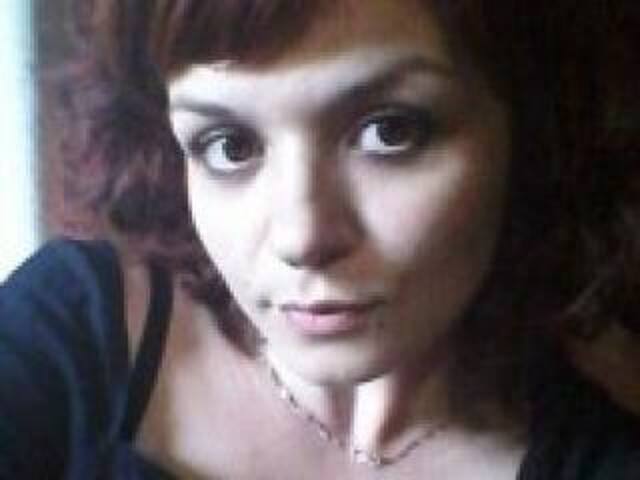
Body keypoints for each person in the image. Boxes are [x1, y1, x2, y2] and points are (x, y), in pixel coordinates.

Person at [1, 0, 639, 478]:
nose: (301, 238)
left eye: (390, 132)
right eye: (229, 145)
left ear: (531, 135)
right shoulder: (66, 334)